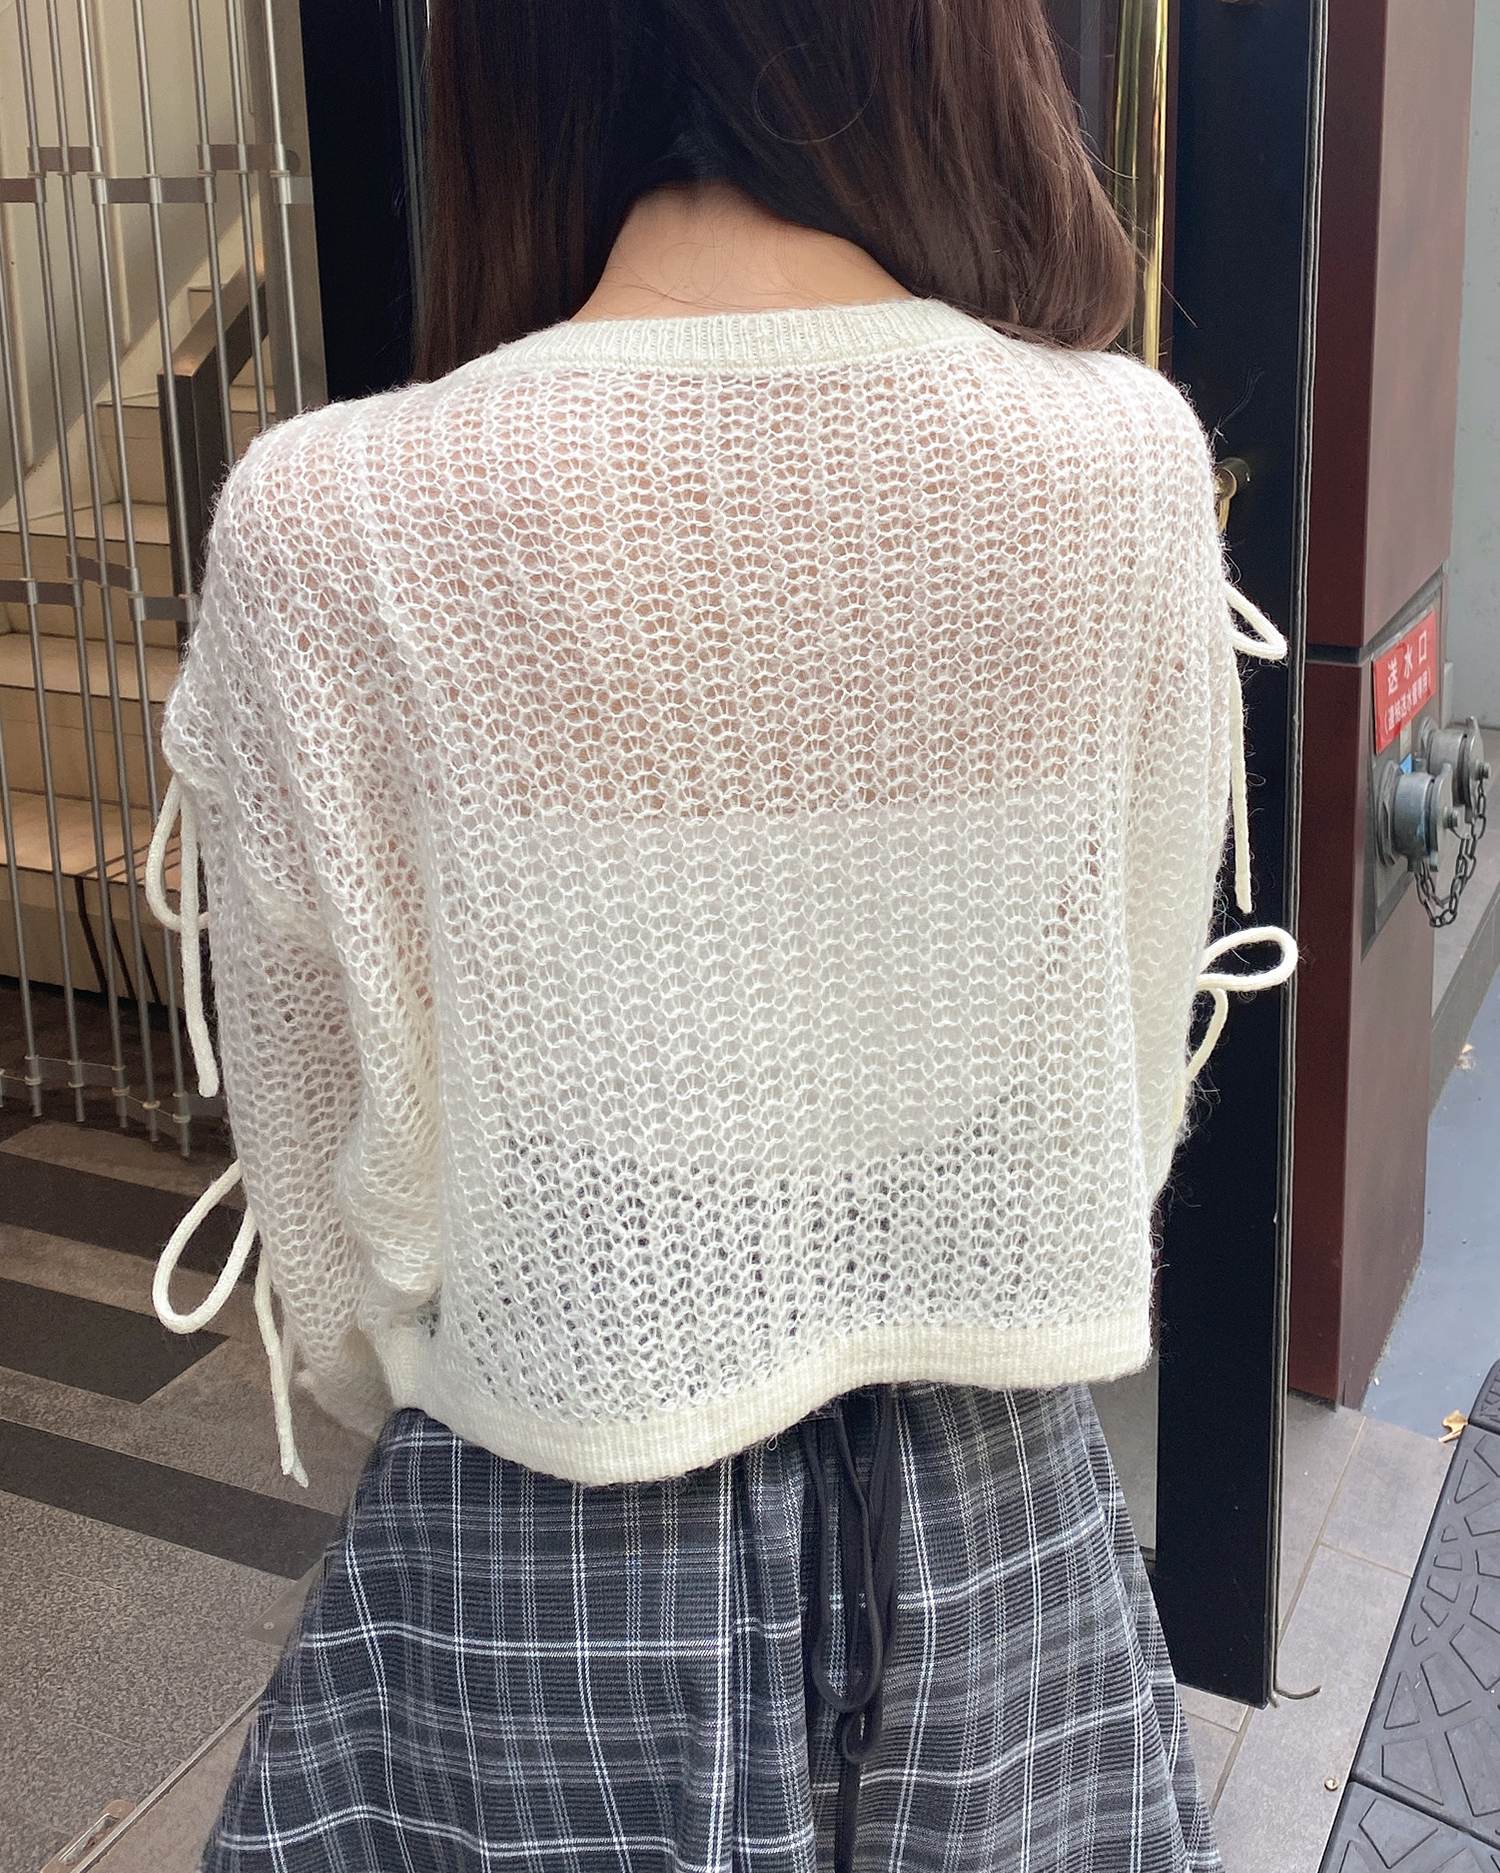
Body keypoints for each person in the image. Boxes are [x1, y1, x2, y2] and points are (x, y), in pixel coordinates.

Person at [144, 2, 1297, 1867]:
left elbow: (340, 1232)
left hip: (540, 1536)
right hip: (998, 1526)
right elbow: (1124, 1070)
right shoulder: (1116, 465)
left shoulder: (331, 522)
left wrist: (577, 1306)